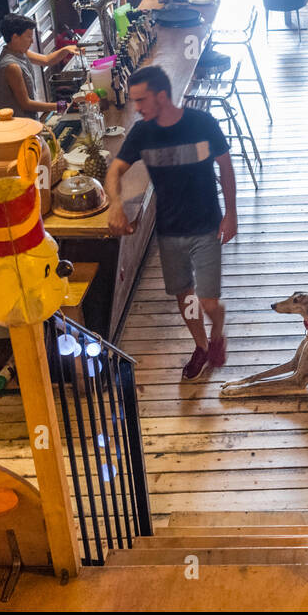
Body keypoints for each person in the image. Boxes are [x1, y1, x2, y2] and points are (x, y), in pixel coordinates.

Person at [105, 66, 238, 380]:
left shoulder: (202, 124)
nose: (136, 107)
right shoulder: (142, 133)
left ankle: (218, 332)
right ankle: (202, 346)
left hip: (206, 223)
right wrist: (115, 204)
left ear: (161, 96)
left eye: (141, 100)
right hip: (168, 229)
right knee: (185, 296)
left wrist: (231, 214)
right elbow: (115, 171)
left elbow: (226, 168)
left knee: (207, 301)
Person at [0, 13, 78, 119]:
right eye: (29, 36)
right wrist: (61, 106)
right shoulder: (12, 66)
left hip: (28, 120)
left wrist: (66, 49)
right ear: (15, 37)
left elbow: (47, 60)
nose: (32, 41)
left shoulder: (19, 51)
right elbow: (26, 104)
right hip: (18, 125)